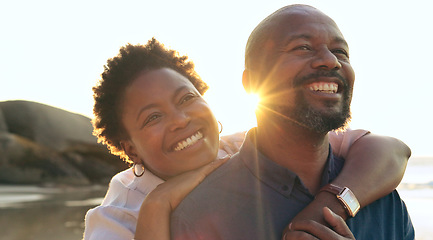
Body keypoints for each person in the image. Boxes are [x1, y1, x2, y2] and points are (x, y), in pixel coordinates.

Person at [83, 37, 410, 240]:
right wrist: (157, 205)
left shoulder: (240, 147)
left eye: (186, 99)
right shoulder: (117, 217)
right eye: (153, 117)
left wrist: (331, 205)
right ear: (130, 149)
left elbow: (391, 150)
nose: (180, 120)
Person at [169, 4, 414, 240]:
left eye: (340, 52)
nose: (331, 61)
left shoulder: (384, 203)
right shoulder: (200, 215)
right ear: (253, 83)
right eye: (303, 47)